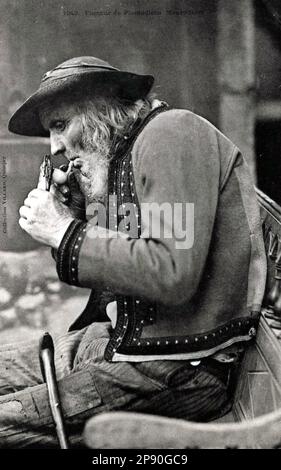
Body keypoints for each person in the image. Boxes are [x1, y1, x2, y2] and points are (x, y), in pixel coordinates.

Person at [4, 56, 266, 448]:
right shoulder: (125, 152)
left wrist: (64, 231)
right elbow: (120, 271)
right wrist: (76, 214)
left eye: (60, 126)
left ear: (100, 110)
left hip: (180, 369)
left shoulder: (172, 134)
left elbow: (170, 273)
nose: (56, 147)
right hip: (124, 344)